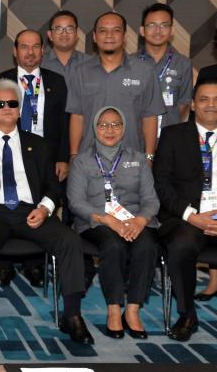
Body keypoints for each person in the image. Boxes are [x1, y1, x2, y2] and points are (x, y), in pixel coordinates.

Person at [0, 78, 91, 345]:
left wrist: (45, 208)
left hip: (31, 213)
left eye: (12, 103)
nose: (6, 108)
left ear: (20, 110)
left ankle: (73, 315)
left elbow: (54, 186)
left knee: (69, 240)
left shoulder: (39, 145)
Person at [0, 29, 69, 288]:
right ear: (15, 51)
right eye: (24, 46)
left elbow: (64, 124)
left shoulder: (57, 81)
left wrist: (63, 157)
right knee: (8, 203)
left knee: (38, 207)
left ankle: (35, 264)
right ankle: (3, 266)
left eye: (35, 47)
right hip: (8, 153)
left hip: (44, 159)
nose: (30, 52)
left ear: (43, 50)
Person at [68, 106, 159, 339]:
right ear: (95, 128)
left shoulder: (138, 159)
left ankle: (133, 309)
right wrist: (106, 219)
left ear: (124, 128)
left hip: (134, 220)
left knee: (147, 245)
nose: (110, 130)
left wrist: (139, 221)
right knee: (113, 245)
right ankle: (114, 309)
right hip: (95, 222)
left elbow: (151, 200)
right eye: (103, 125)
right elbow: (75, 202)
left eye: (116, 124)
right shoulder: (81, 161)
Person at [155, 76, 217, 341]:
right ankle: (187, 314)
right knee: (180, 246)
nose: (211, 105)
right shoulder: (173, 135)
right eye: (204, 100)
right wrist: (192, 216)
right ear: (192, 105)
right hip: (186, 218)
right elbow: (161, 184)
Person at [66, 11, 165, 162]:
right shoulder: (80, 72)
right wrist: (73, 155)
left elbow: (150, 118)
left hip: (131, 160)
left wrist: (149, 157)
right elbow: (77, 117)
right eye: (103, 31)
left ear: (125, 36)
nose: (109, 35)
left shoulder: (145, 71)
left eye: (116, 30)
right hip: (89, 160)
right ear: (94, 36)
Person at [130, 3, 193, 133]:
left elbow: (184, 104)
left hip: (169, 137)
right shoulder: (129, 63)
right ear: (142, 30)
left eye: (164, 25)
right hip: (136, 137)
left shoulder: (183, 64)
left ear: (172, 31)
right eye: (152, 25)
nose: (158, 31)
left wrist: (168, 124)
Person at [42, 10, 91, 77]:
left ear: (77, 34)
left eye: (69, 29)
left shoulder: (90, 63)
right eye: (58, 29)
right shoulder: (38, 63)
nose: (64, 33)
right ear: (50, 35)